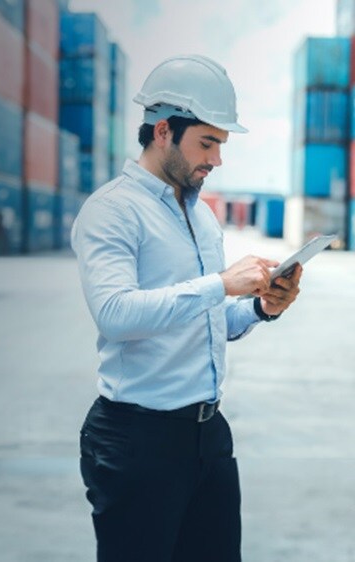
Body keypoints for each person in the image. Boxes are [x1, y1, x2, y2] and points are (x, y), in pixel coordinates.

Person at [70, 54, 303, 561]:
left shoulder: (201, 219)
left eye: (221, 145)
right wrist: (220, 283)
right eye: (207, 143)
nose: (217, 160)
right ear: (162, 132)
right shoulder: (111, 211)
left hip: (208, 437)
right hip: (138, 441)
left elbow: (209, 321)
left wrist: (262, 307)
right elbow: (115, 314)